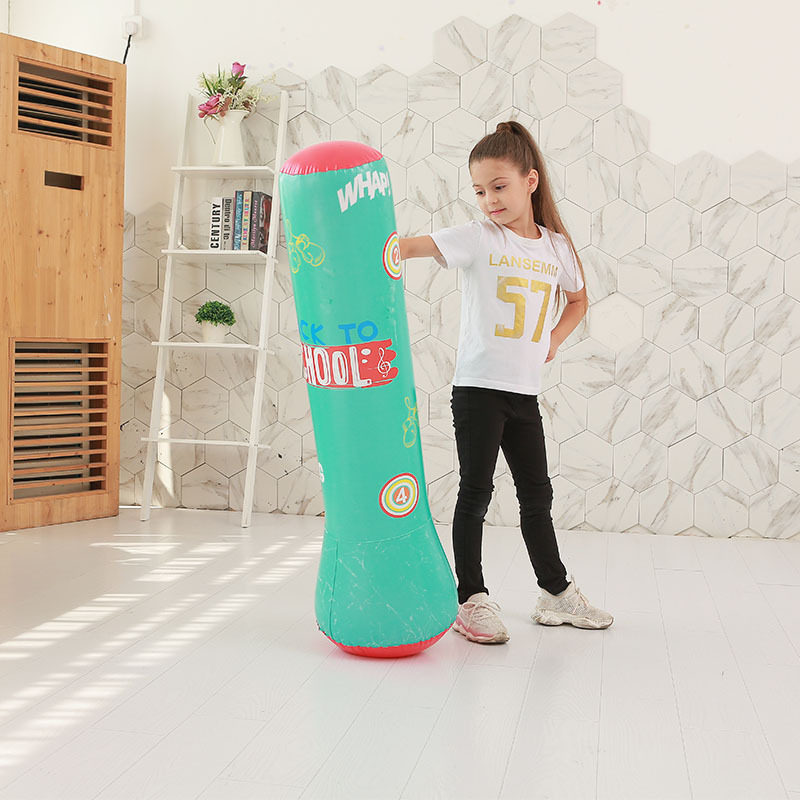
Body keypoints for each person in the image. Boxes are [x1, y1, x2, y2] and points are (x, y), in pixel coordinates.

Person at [398, 121, 613, 644]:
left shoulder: (556, 247)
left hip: (524, 392)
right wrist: (364, 242)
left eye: (499, 187)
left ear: (530, 181)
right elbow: (411, 246)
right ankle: (470, 599)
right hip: (477, 389)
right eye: (479, 191)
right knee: (476, 492)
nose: (489, 200)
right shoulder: (478, 237)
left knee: (537, 495)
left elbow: (578, 299)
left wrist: (554, 339)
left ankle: (555, 593)